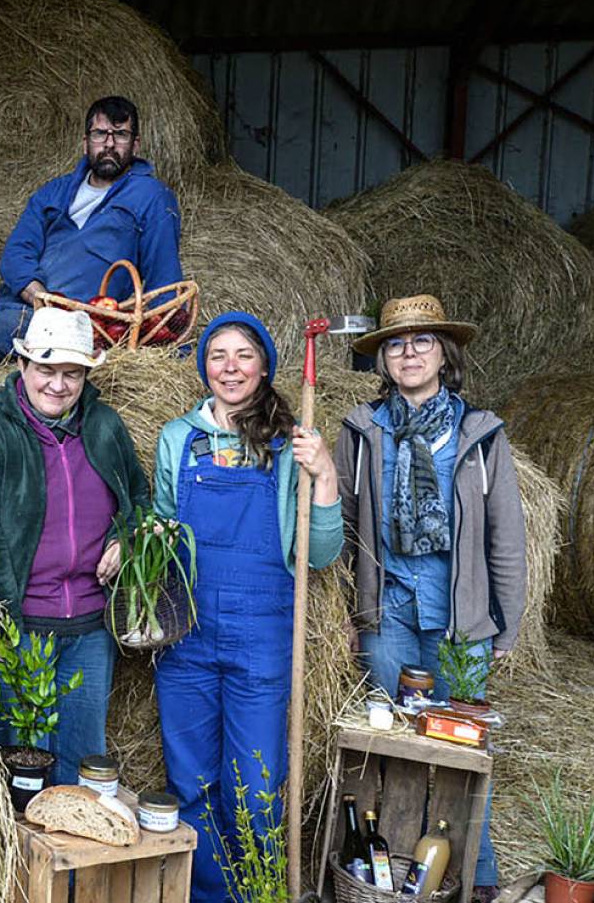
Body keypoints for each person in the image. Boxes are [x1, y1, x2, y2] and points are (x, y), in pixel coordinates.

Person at [337, 295, 524, 902]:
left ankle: (477, 878)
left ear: (444, 353)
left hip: (460, 620)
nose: (409, 352)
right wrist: (346, 613)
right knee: (389, 745)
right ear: (382, 360)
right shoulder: (363, 432)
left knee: (461, 748)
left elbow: (506, 538)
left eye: (422, 341)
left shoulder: (479, 434)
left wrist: (504, 626)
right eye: (395, 343)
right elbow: (340, 528)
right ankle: (389, 877)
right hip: (386, 611)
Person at [151, 312, 342, 903]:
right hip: (186, 635)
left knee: (256, 784)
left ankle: (257, 894)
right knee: (191, 784)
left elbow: (320, 554)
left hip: (261, 636)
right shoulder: (177, 438)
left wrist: (326, 474)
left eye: (243, 355)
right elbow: (162, 529)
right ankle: (211, 895)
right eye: (217, 355)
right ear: (204, 366)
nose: (230, 367)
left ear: (264, 367)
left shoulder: (289, 443)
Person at [0, 306, 149, 786]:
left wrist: (126, 537)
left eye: (71, 374)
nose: (58, 385)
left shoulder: (103, 425)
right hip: (20, 628)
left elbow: (138, 497)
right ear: (22, 366)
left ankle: (75, 863)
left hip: (90, 630)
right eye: (46, 370)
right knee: (19, 777)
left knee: (81, 771)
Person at [0, 96, 183, 368]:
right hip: (24, 309)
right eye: (100, 134)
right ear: (86, 142)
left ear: (135, 145)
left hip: (86, 323)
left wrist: (171, 350)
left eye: (120, 134)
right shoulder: (54, 191)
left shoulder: (152, 197)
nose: (109, 144)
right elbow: (16, 253)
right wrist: (42, 300)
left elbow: (164, 276)